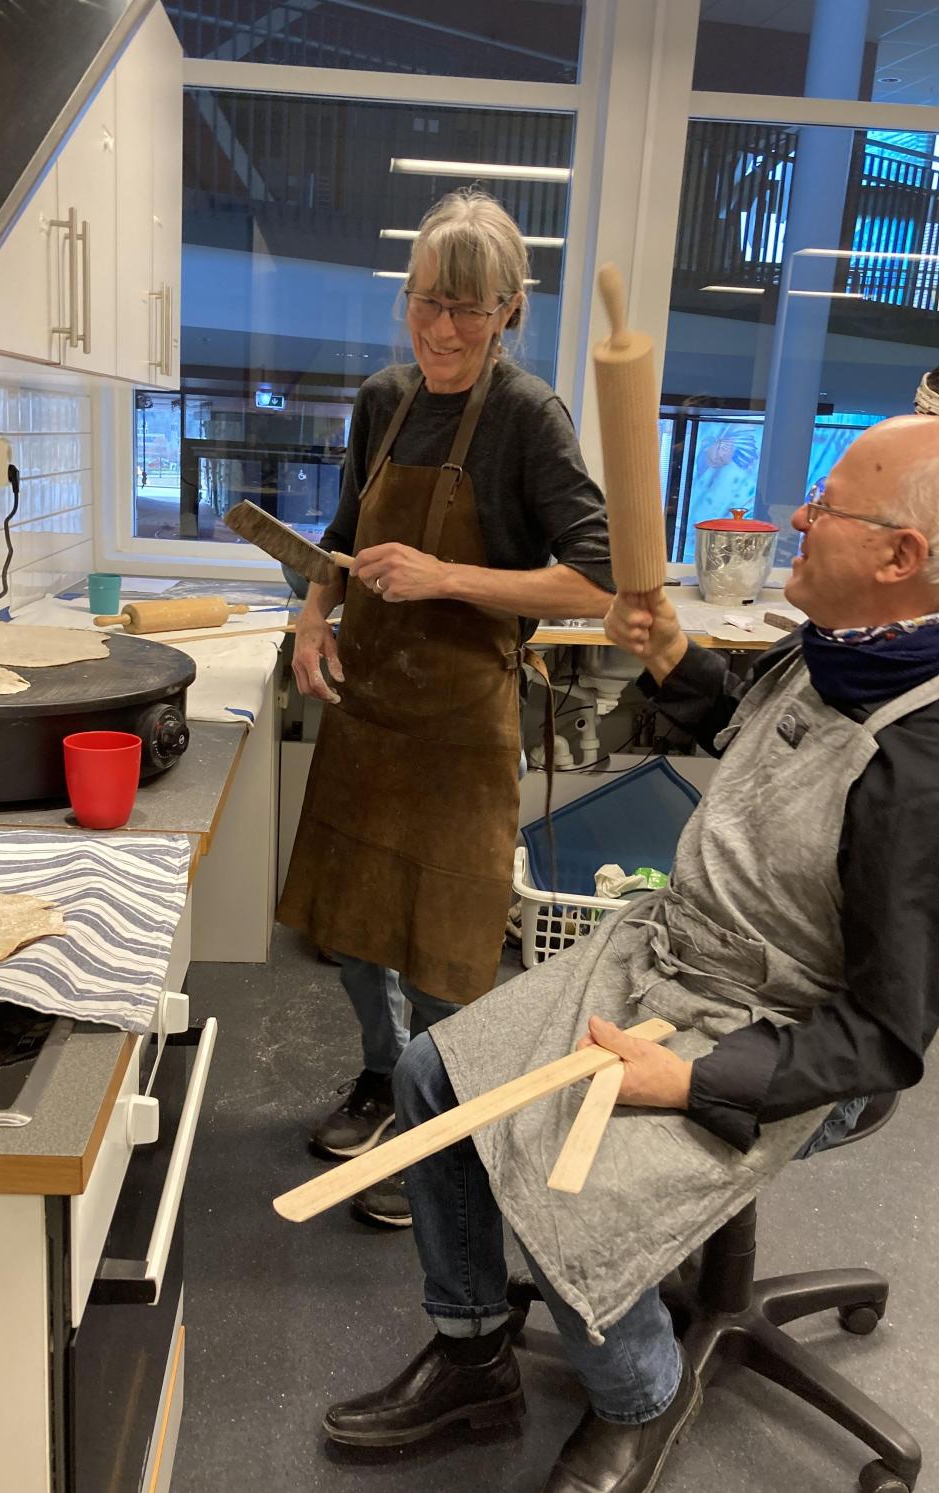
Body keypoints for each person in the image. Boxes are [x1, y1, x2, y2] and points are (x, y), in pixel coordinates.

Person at [321, 414, 939, 1492]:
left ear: (900, 556)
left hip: (784, 1037)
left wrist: (692, 1080)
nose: (797, 517)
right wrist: (664, 654)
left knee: (565, 1178)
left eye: (826, 506)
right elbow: (746, 736)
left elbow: (884, 1039)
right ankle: (473, 1356)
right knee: (432, 1073)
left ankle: (639, 1397)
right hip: (664, 952)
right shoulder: (835, 647)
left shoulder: (921, 765)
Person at [277, 189, 613, 1226]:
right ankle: (385, 1077)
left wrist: (446, 576)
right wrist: (313, 615)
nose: (441, 328)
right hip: (367, 709)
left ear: (509, 309)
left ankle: (437, 1129)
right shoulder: (382, 399)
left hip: (463, 724)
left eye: (468, 307)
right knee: (350, 929)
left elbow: (597, 579)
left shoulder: (529, 417)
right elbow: (341, 538)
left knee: (443, 952)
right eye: (426, 300)